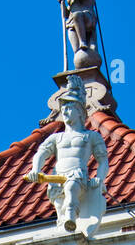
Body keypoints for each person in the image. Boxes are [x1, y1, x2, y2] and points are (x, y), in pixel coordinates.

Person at [29, 76, 108, 235]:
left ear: (79, 111)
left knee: (72, 189)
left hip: (76, 173)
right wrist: (35, 170)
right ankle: (64, 224)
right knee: (59, 205)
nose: (64, 111)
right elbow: (41, 153)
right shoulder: (56, 138)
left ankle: (71, 218)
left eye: (69, 107)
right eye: (63, 108)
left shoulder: (91, 136)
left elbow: (103, 160)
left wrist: (99, 177)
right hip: (57, 176)